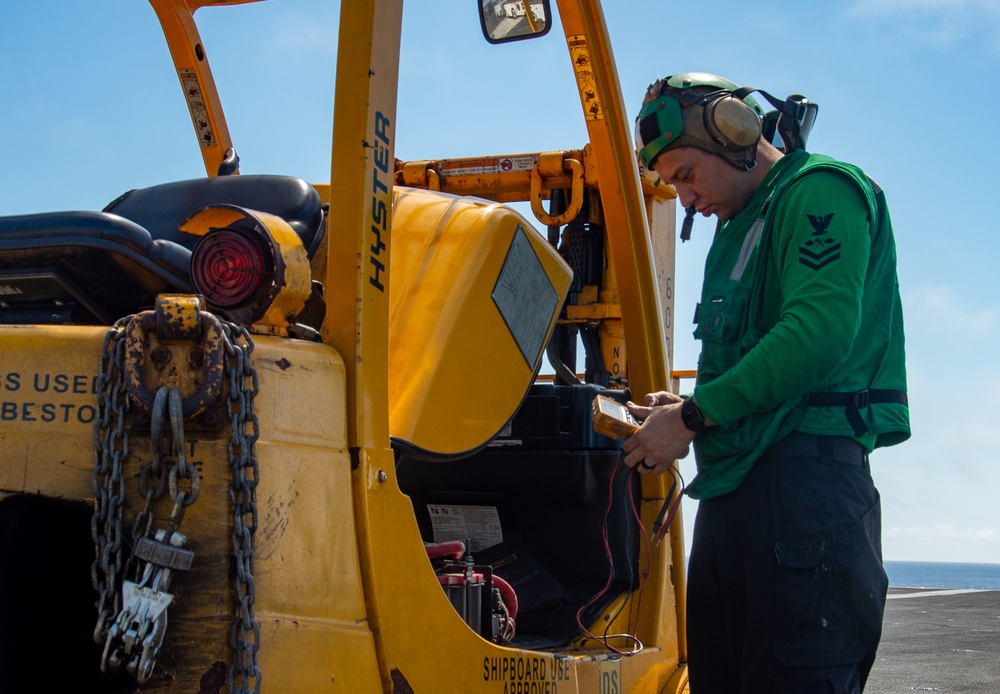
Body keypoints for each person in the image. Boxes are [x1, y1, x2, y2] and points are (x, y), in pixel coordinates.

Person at [624, 72, 910, 693]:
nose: (687, 199)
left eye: (686, 175)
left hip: (805, 493)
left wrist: (693, 418)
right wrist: (689, 408)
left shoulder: (820, 192)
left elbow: (817, 334)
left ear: (735, 133)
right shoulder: (739, 225)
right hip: (740, 492)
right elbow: (752, 364)